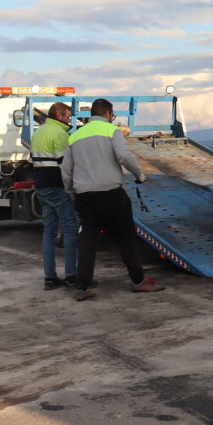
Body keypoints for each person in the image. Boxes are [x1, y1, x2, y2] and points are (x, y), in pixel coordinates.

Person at [61, 98, 164, 300]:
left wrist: (72, 193)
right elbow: (124, 155)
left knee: (88, 240)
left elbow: (66, 171)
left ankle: (82, 287)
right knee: (126, 236)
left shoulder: (74, 136)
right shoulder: (112, 131)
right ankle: (137, 281)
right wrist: (140, 175)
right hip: (110, 194)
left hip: (84, 196)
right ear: (108, 114)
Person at [30, 102, 81, 290]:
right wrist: (72, 190)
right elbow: (64, 166)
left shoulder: (39, 132)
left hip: (41, 185)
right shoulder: (59, 134)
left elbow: (31, 161)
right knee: (70, 229)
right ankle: (71, 275)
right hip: (57, 186)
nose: (70, 120)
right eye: (68, 117)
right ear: (59, 116)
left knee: (49, 232)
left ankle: (50, 277)